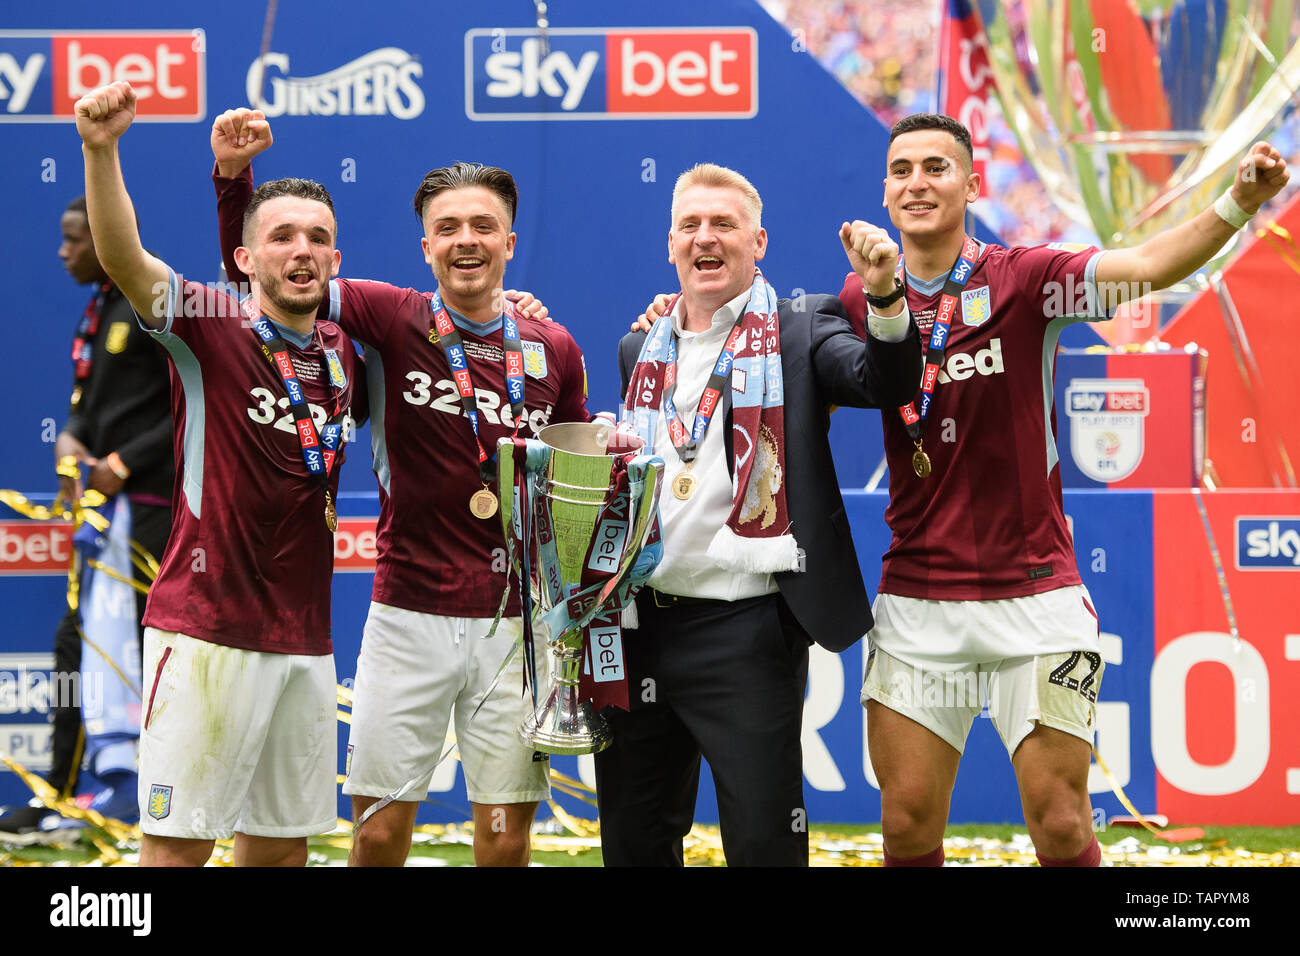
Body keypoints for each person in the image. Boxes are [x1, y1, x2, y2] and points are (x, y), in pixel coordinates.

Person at [837, 114, 1289, 867]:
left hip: (1035, 601)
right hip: (917, 603)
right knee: (907, 826)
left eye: (937, 168)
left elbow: (1145, 264)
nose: (918, 182)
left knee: (1061, 823)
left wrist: (1239, 203)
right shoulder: (861, 301)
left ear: (973, 184)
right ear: (884, 191)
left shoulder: (1026, 280)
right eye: (903, 169)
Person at [210, 109, 590, 866]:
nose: (466, 241)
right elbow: (270, 280)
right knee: (380, 832)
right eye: (447, 228)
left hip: (512, 625)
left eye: (483, 226)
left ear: (509, 243)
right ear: (426, 247)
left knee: (504, 837)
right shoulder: (387, 315)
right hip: (406, 613)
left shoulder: (555, 347)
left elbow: (574, 483)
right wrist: (232, 184)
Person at [75, 80, 365, 866]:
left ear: (335, 259)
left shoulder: (343, 354)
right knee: (174, 856)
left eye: (317, 238)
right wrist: (102, 151)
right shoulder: (208, 327)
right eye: (281, 238)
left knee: (278, 852)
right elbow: (124, 259)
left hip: (305, 644)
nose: (300, 251)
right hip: (206, 633)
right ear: (245, 256)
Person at [601, 163, 921, 866]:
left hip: (744, 631)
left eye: (724, 224)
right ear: (670, 245)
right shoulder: (640, 348)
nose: (705, 238)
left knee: (765, 843)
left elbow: (885, 382)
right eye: (690, 225)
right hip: (639, 628)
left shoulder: (801, 329)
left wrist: (885, 296)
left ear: (760, 242)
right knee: (633, 843)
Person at [0, 198, 173, 838]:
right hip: (103, 518)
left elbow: (190, 404)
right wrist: (70, 439)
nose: (62, 251)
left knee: (151, 650)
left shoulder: (157, 305)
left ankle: (154, 796)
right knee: (77, 645)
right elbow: (89, 404)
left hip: (151, 512)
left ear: (104, 241)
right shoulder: (100, 308)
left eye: (75, 240)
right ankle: (60, 794)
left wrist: (126, 462)